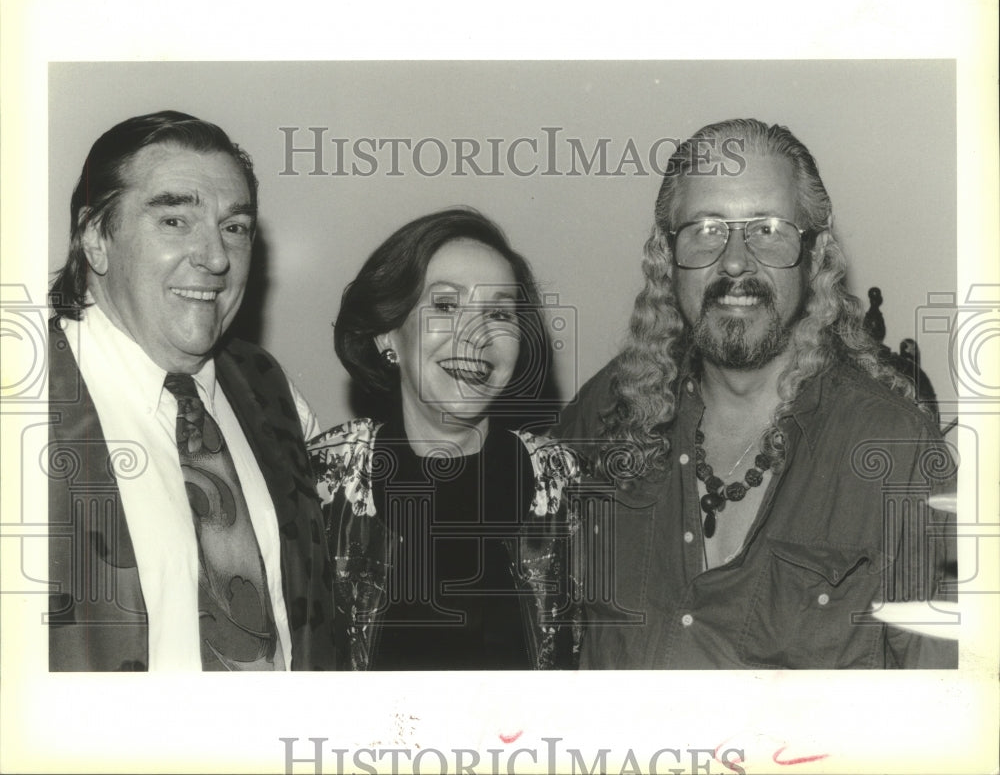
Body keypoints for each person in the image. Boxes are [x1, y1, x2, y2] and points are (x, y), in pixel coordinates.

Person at [552, 118, 957, 669]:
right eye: (706, 228)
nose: (736, 261)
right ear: (667, 260)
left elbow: (945, 709)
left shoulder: (895, 449)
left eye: (768, 228)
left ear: (815, 255)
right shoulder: (604, 411)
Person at [47, 111, 335, 671]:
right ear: (95, 238)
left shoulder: (271, 395)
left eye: (235, 227)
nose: (217, 257)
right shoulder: (24, 397)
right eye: (175, 220)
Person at [307, 208, 582, 670]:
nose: (475, 336)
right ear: (386, 334)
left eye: (498, 313)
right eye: (446, 305)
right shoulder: (321, 480)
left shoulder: (566, 480)